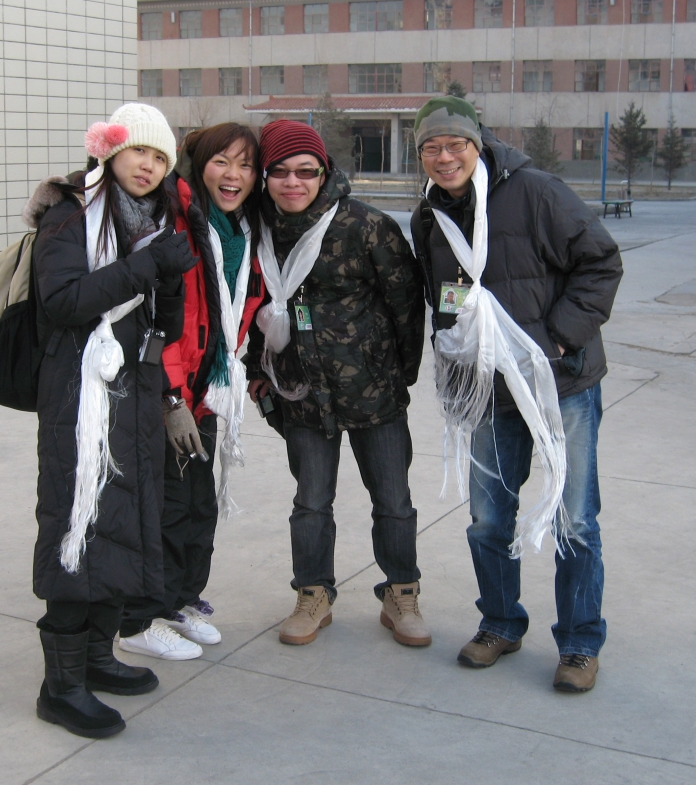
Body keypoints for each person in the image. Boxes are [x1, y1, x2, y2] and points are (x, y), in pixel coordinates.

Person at [410, 96, 623, 693]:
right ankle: (501, 623)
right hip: (488, 391)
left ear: (477, 144)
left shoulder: (535, 192)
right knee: (487, 520)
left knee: (574, 519)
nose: (444, 157)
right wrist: (454, 363)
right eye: (431, 147)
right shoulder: (428, 215)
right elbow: (443, 299)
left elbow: (601, 263)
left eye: (455, 144)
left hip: (561, 385)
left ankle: (580, 642)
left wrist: (556, 340)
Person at [23, 103, 197, 737]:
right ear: (109, 151)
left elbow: (161, 321)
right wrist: (149, 265)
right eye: (137, 151)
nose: (147, 166)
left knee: (122, 523)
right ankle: (60, 686)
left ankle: (96, 657)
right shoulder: (71, 215)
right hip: (79, 396)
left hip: (135, 391)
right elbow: (64, 300)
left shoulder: (153, 219)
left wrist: (170, 275)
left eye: (159, 157)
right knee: (77, 524)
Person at [245, 119, 427, 648]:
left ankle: (401, 593)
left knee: (393, 500)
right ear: (265, 176)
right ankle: (313, 594)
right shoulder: (257, 231)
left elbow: (406, 306)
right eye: (280, 171)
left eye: (306, 171)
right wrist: (259, 371)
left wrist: (398, 376)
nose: (292, 182)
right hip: (301, 393)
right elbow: (252, 306)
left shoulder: (366, 226)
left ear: (324, 173)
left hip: (373, 393)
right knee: (310, 502)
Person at [116, 123, 265, 660]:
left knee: (198, 505)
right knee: (164, 507)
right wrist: (171, 397)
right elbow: (162, 321)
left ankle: (177, 599)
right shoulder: (176, 222)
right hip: (168, 392)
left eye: (245, 165)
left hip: (206, 392)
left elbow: (240, 306)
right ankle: (137, 618)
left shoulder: (241, 229)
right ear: (198, 165)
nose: (233, 175)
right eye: (221, 161)